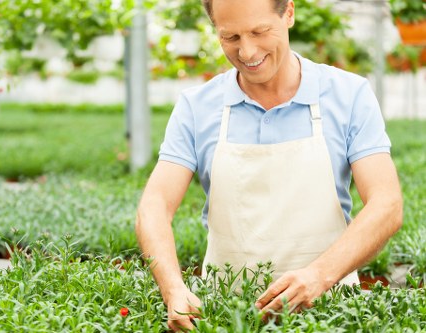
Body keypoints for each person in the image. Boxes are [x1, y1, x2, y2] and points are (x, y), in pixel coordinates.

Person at [135, 0, 403, 330]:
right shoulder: (196, 107)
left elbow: (386, 204)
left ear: (288, 13)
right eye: (229, 37)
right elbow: (155, 205)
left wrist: (319, 276)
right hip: (226, 315)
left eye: (259, 31)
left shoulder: (349, 95)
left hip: (331, 312)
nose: (247, 52)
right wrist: (173, 288)